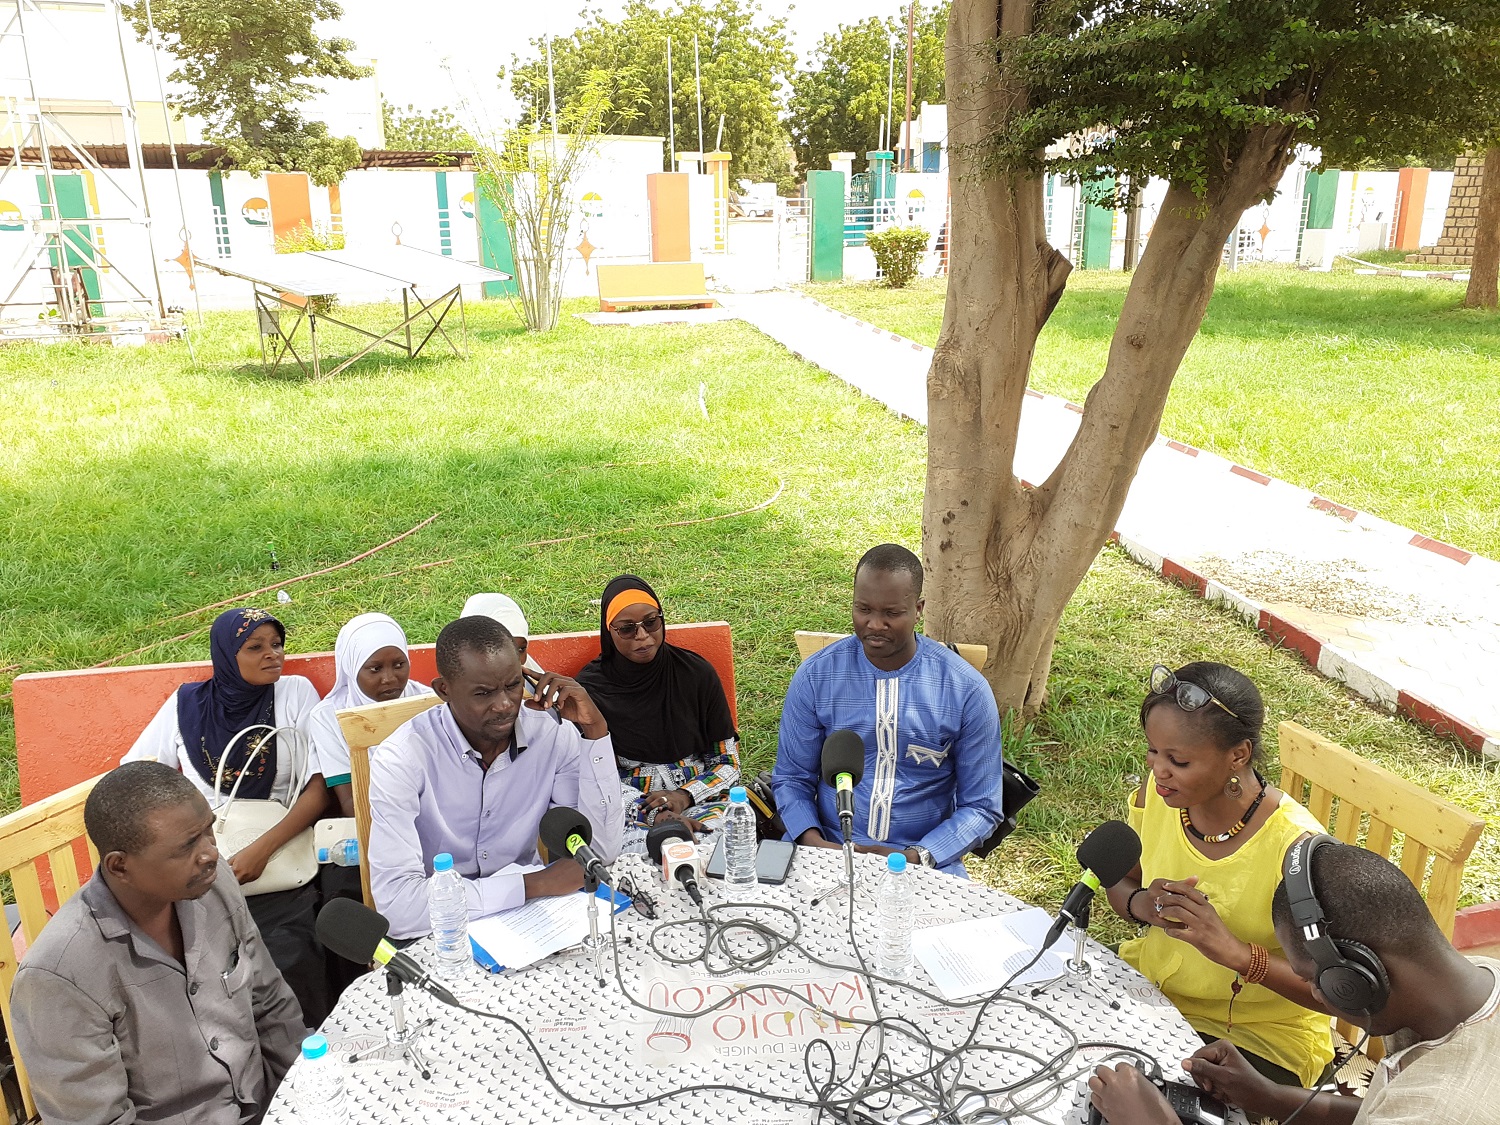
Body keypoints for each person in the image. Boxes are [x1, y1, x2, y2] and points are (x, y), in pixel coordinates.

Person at [1089, 839, 1500, 1124]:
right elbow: (1381, 1110)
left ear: (1357, 979)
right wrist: (1269, 1095)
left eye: (1313, 980)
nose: (1315, 994)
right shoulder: (1471, 987)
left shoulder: (1439, 1111)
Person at [11, 761, 306, 1124]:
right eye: (185, 847)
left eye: (208, 832)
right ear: (119, 867)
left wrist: (307, 1094)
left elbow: (271, 1004)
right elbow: (96, 1119)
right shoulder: (60, 976)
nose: (210, 853)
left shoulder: (215, 885)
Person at [1104, 662, 1332, 1088]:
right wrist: (1144, 905)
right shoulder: (1157, 798)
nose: (1159, 771)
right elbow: (1123, 882)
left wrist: (1236, 953)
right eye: (1153, 751)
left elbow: (1334, 993)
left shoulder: (1298, 852)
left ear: (1238, 755)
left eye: (1179, 760)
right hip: (1152, 994)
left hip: (1258, 1036)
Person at [121, 606, 330, 1024]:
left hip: (277, 856)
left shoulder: (294, 693)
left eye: (277, 644)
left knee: (289, 953)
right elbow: (136, 774)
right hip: (205, 857)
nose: (273, 655)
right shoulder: (187, 705)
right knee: (203, 965)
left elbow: (318, 789)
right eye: (255, 647)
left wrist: (259, 852)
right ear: (226, 654)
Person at [367, 614, 624, 939]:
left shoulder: (552, 733)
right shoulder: (402, 758)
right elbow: (399, 910)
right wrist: (532, 884)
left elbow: (598, 852)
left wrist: (594, 731)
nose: (504, 705)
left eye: (513, 685)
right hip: (443, 932)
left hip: (531, 921)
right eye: (484, 693)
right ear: (444, 690)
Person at [772, 543, 1004, 876]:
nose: (875, 624)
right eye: (863, 609)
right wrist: (816, 844)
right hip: (825, 848)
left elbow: (982, 806)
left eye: (891, 613)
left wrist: (916, 857)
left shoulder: (965, 689)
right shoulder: (817, 676)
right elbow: (792, 778)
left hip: (925, 860)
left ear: (919, 608)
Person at [576, 574, 739, 840]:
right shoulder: (591, 690)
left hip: (702, 801)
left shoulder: (695, 673)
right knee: (638, 860)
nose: (642, 636)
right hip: (627, 811)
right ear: (609, 631)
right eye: (627, 628)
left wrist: (685, 796)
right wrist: (654, 813)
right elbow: (591, 777)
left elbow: (728, 762)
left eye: (651, 622)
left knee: (718, 847)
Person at [304, 611, 435, 818]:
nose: (389, 678)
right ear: (352, 668)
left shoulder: (430, 703)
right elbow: (350, 801)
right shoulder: (328, 717)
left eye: (399, 665)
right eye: (375, 669)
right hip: (373, 820)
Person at [462, 592, 546, 675]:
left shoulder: (534, 686)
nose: (515, 664)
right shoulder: (457, 688)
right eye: (499, 650)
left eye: (521, 649)